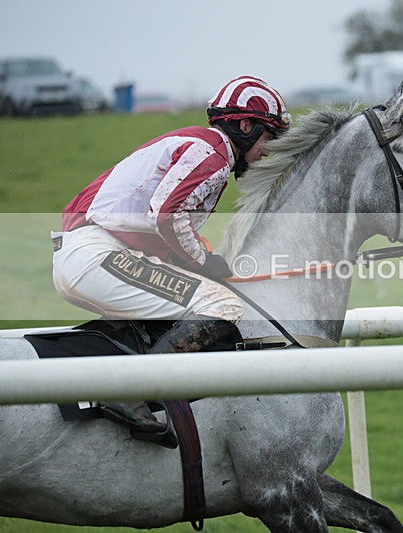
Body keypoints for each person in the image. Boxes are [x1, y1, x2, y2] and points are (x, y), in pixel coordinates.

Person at [51, 76, 291, 436]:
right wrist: (203, 263)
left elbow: (159, 223)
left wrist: (199, 260)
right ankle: (130, 393)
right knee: (221, 307)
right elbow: (166, 215)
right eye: (268, 139)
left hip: (90, 251)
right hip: (96, 256)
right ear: (245, 126)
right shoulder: (211, 153)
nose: (266, 153)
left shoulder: (195, 143)